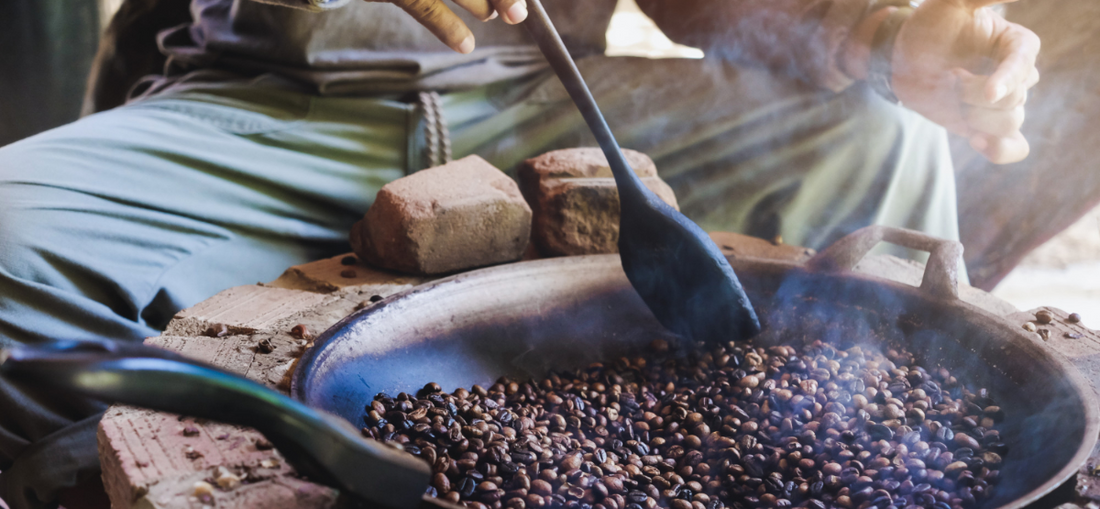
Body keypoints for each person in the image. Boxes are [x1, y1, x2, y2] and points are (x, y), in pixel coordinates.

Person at [0, 0, 1039, 507]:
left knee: (877, 131)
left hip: (540, 90)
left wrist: (871, 33)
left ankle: (854, 446)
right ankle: (97, 461)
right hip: (268, 106)